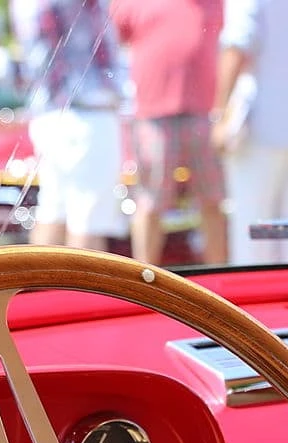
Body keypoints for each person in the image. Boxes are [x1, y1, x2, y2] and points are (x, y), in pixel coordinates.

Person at [112, 0, 227, 264]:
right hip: (154, 115)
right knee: (151, 203)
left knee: (212, 201)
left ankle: (220, 278)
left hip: (203, 113)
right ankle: (144, 278)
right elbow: (112, 38)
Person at [214, 0, 288, 266]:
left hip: (260, 124)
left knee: (252, 226)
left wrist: (219, 115)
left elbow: (236, 47)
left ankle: (249, 299)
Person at [26, 0, 128, 251]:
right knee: (87, 222)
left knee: (53, 211)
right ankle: (83, 293)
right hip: (86, 112)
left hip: (52, 110)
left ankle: (36, 290)